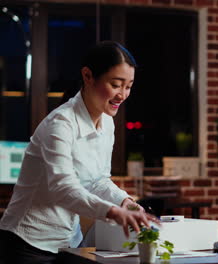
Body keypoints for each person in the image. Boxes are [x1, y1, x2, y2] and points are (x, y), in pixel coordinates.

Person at [0, 41, 155, 264]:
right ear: (88, 76)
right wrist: (112, 212)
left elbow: (99, 180)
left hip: (68, 243)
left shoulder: (107, 123)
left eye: (128, 86)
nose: (122, 94)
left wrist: (125, 203)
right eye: (116, 84)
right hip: (28, 244)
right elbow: (62, 188)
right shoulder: (60, 124)